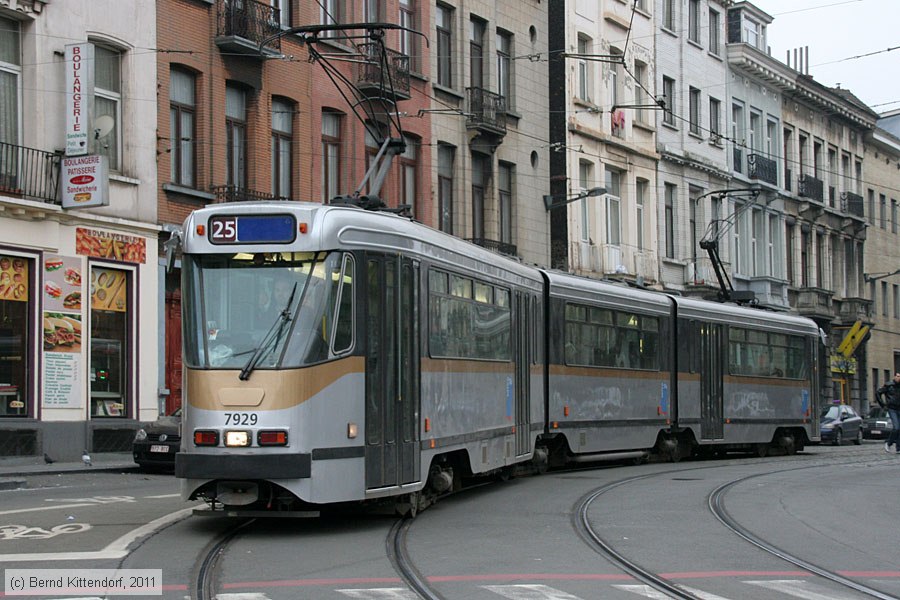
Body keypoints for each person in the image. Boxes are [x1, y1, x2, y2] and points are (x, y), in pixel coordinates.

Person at [875, 372, 900, 454]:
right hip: (892, 408)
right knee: (896, 427)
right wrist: (882, 404)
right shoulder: (889, 385)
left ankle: (898, 448)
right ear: (894, 376)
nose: (898, 378)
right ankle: (888, 443)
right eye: (897, 376)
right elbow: (878, 392)